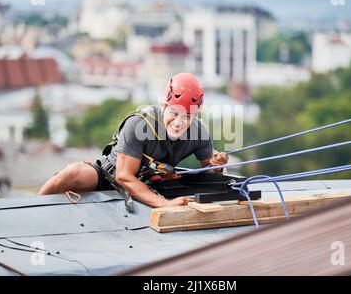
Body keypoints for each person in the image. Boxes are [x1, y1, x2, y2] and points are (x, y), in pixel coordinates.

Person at [38, 73, 229, 208]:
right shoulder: (139, 124)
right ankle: (32, 204)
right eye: (174, 113)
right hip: (109, 177)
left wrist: (217, 166)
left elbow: (210, 172)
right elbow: (123, 176)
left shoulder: (198, 131)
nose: (179, 123)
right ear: (163, 106)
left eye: (187, 116)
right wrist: (164, 204)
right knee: (73, 173)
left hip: (152, 183)